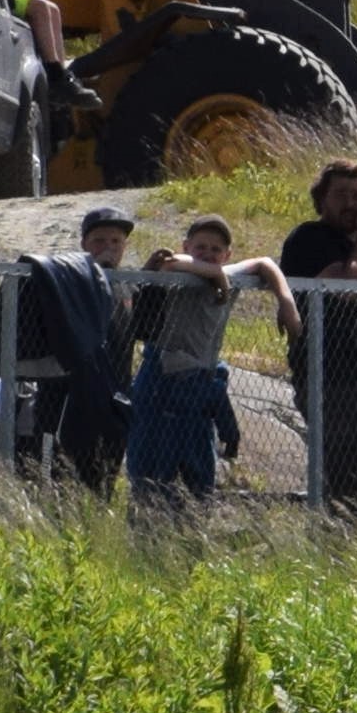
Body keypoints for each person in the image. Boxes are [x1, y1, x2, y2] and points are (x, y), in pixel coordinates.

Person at [122, 210, 293, 512]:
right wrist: (214, 273)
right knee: (151, 476)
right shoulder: (179, 276)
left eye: (216, 249)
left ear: (228, 255)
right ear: (187, 247)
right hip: (161, 381)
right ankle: (146, 529)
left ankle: (193, 531)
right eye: (200, 247)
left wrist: (286, 302)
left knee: (199, 478)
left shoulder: (232, 277)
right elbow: (168, 261)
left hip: (199, 384)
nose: (208, 253)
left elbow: (265, 263)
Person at [0, 204, 146, 493]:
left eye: (116, 241)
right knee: (55, 479)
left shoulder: (129, 287)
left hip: (113, 400)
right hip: (64, 400)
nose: (108, 247)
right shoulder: (68, 282)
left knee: (103, 482)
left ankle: (95, 517)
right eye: (99, 241)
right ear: (84, 244)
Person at [275, 160, 357, 516]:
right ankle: (335, 535)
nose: (351, 204)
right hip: (330, 377)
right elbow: (348, 286)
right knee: (346, 471)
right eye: (341, 195)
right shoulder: (310, 238)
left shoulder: (353, 245)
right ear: (321, 199)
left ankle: (346, 534)